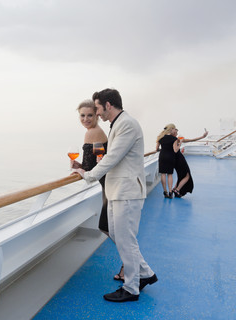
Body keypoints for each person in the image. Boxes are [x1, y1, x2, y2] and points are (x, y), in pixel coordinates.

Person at [74, 88, 157, 302]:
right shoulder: (118, 124)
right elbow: (112, 157)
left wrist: (88, 175)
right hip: (117, 190)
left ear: (108, 105)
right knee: (118, 235)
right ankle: (146, 273)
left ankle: (131, 288)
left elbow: (113, 158)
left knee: (125, 240)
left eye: (98, 109)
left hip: (127, 192)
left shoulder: (127, 124)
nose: (97, 113)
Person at [70, 101, 125, 280]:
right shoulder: (97, 132)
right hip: (109, 184)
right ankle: (130, 264)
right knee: (109, 227)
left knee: (110, 228)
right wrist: (81, 166)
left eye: (90, 115)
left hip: (110, 186)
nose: (86, 119)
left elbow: (89, 167)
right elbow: (95, 161)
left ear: (96, 116)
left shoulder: (92, 133)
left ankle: (132, 264)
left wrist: (79, 169)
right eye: (82, 115)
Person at [172, 129, 208, 197]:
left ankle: (175, 188)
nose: (177, 133)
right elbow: (176, 150)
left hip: (175, 160)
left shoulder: (171, 139)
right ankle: (177, 190)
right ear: (173, 132)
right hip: (179, 160)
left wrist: (202, 137)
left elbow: (191, 140)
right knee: (187, 175)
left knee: (181, 175)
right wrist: (181, 142)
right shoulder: (175, 140)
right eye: (176, 132)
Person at [155, 124, 179, 198]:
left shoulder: (160, 138)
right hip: (170, 157)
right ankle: (170, 192)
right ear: (171, 129)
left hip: (162, 156)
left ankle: (165, 191)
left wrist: (162, 150)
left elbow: (156, 149)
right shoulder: (174, 139)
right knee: (169, 174)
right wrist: (179, 144)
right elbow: (175, 150)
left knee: (163, 174)